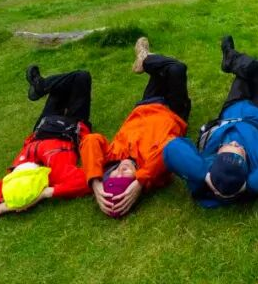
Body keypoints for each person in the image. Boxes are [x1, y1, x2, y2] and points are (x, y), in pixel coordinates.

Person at [163, 36, 258, 207]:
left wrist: (205, 176)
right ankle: (231, 57)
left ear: (216, 157)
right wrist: (249, 185)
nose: (236, 144)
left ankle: (231, 58)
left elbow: (172, 148)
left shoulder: (205, 166)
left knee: (245, 76)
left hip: (232, 110)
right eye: (241, 151)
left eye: (229, 147)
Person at [0, 67, 92, 222]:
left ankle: (41, 86)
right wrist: (46, 193)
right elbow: (88, 180)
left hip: (43, 127)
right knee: (81, 77)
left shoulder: (6, 184)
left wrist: (2, 207)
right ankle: (41, 85)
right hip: (72, 125)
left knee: (65, 84)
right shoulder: (54, 172)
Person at [80, 37, 191, 217]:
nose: (119, 171)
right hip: (174, 110)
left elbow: (90, 140)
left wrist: (95, 181)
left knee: (163, 70)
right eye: (124, 178)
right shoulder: (151, 169)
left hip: (146, 103)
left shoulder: (113, 156)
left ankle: (148, 59)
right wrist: (141, 181)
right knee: (177, 68)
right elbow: (169, 148)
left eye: (113, 176)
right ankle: (145, 58)